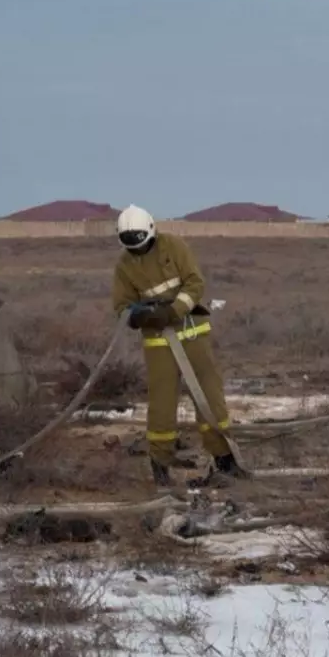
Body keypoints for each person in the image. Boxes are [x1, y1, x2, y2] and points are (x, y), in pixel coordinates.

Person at [109, 204, 246, 488]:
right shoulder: (124, 265)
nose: (137, 251)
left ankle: (225, 461)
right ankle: (160, 468)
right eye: (132, 247)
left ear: (151, 232)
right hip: (159, 342)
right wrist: (139, 315)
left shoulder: (173, 246)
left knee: (209, 398)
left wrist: (174, 310)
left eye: (141, 245)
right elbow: (122, 307)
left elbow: (195, 282)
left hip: (192, 333)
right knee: (161, 405)